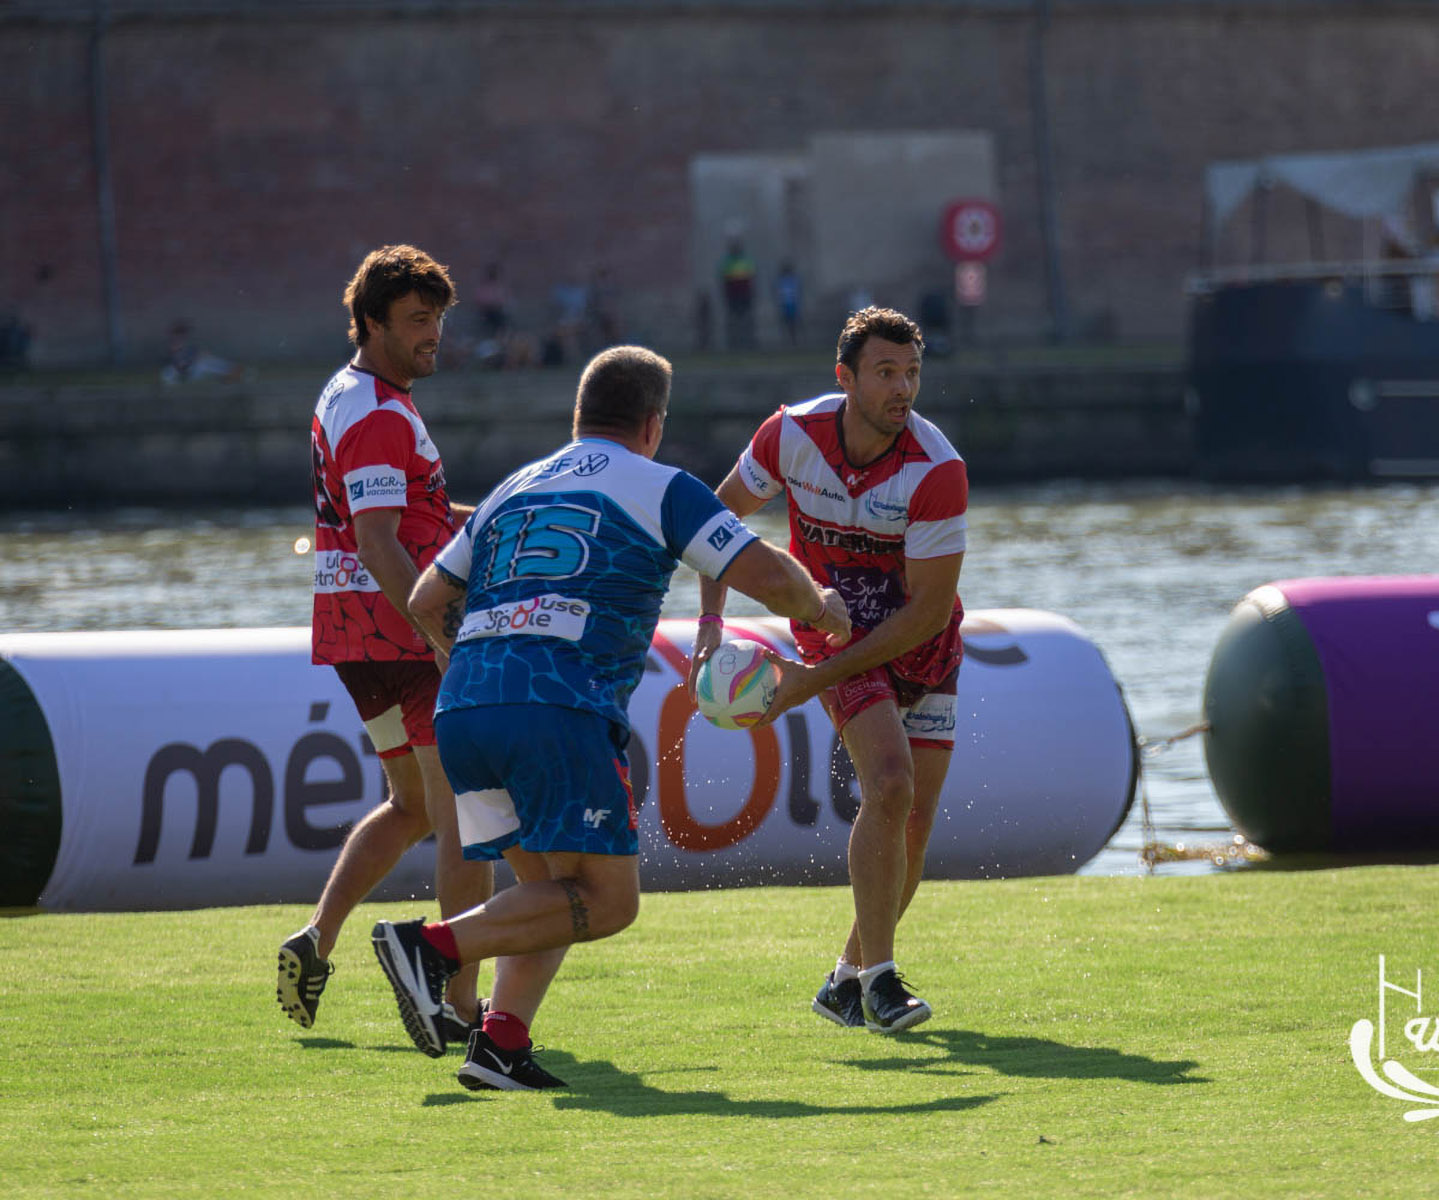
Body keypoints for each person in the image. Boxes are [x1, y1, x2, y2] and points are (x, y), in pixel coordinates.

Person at [376, 345, 851, 1089]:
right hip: (557, 707)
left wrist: (466, 655)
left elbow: (424, 601)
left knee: (553, 892)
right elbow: (761, 572)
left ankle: (500, 1042)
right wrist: (820, 607)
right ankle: (429, 949)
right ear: (653, 425)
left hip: (465, 705)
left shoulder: (513, 487)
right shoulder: (662, 487)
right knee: (607, 901)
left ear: (579, 418)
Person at [688, 306, 968, 1034]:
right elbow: (717, 525)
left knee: (912, 824)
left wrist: (804, 684)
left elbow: (929, 613)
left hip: (924, 645)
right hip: (834, 635)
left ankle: (845, 979)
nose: (902, 388)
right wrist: (711, 628)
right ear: (844, 378)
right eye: (884, 373)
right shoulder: (789, 436)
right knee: (891, 782)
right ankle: (882, 982)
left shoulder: (937, 469)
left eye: (911, 373)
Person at [277, 245, 492, 1051]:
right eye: (415, 321)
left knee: (410, 807)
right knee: (465, 817)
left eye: (437, 317)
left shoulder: (355, 392)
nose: (432, 334)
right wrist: (438, 632)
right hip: (399, 628)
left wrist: (498, 516)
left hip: (352, 632)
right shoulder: (376, 412)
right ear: (371, 323)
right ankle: (458, 1004)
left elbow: (406, 514)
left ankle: (316, 941)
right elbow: (378, 539)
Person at [718, 237, 757, 351]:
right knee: (736, 321)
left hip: (742, 295)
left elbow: (751, 278)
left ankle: (747, 341)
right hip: (734, 296)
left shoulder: (743, 261)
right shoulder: (729, 261)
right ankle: (735, 342)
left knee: (744, 320)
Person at [775, 261, 802, 346]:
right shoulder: (782, 280)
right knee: (787, 323)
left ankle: (793, 340)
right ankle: (788, 341)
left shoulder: (792, 279)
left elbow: (797, 291)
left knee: (792, 323)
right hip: (786, 304)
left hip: (792, 304)